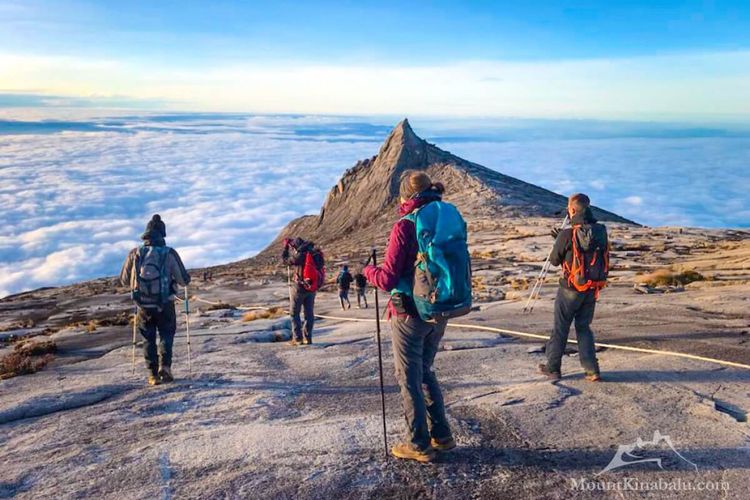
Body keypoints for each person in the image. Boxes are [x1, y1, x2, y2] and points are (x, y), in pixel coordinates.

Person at [364, 170, 456, 463]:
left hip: (409, 313)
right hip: (439, 308)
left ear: (404, 196)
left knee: (409, 378)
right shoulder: (443, 217)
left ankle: (418, 444)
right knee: (426, 370)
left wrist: (368, 271)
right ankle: (442, 435)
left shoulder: (405, 226)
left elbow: (387, 279)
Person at [539, 193, 608, 382]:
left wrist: (559, 240)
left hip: (570, 288)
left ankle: (553, 368)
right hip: (592, 288)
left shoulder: (567, 233)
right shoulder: (601, 231)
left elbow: (554, 261)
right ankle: (592, 370)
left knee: (560, 328)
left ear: (572, 209)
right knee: (584, 328)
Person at [120, 214, 190, 386]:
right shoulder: (169, 253)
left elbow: (123, 280)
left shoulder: (135, 254)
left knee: (148, 339)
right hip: (165, 303)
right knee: (166, 334)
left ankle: (152, 375)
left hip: (143, 305)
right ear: (162, 235)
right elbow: (184, 280)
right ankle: (165, 368)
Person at [282, 237, 324, 346]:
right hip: (312, 287)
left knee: (294, 313)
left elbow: (285, 260)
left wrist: (286, 248)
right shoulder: (315, 253)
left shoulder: (301, 254)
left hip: (299, 287)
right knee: (309, 314)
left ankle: (298, 339)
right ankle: (308, 338)